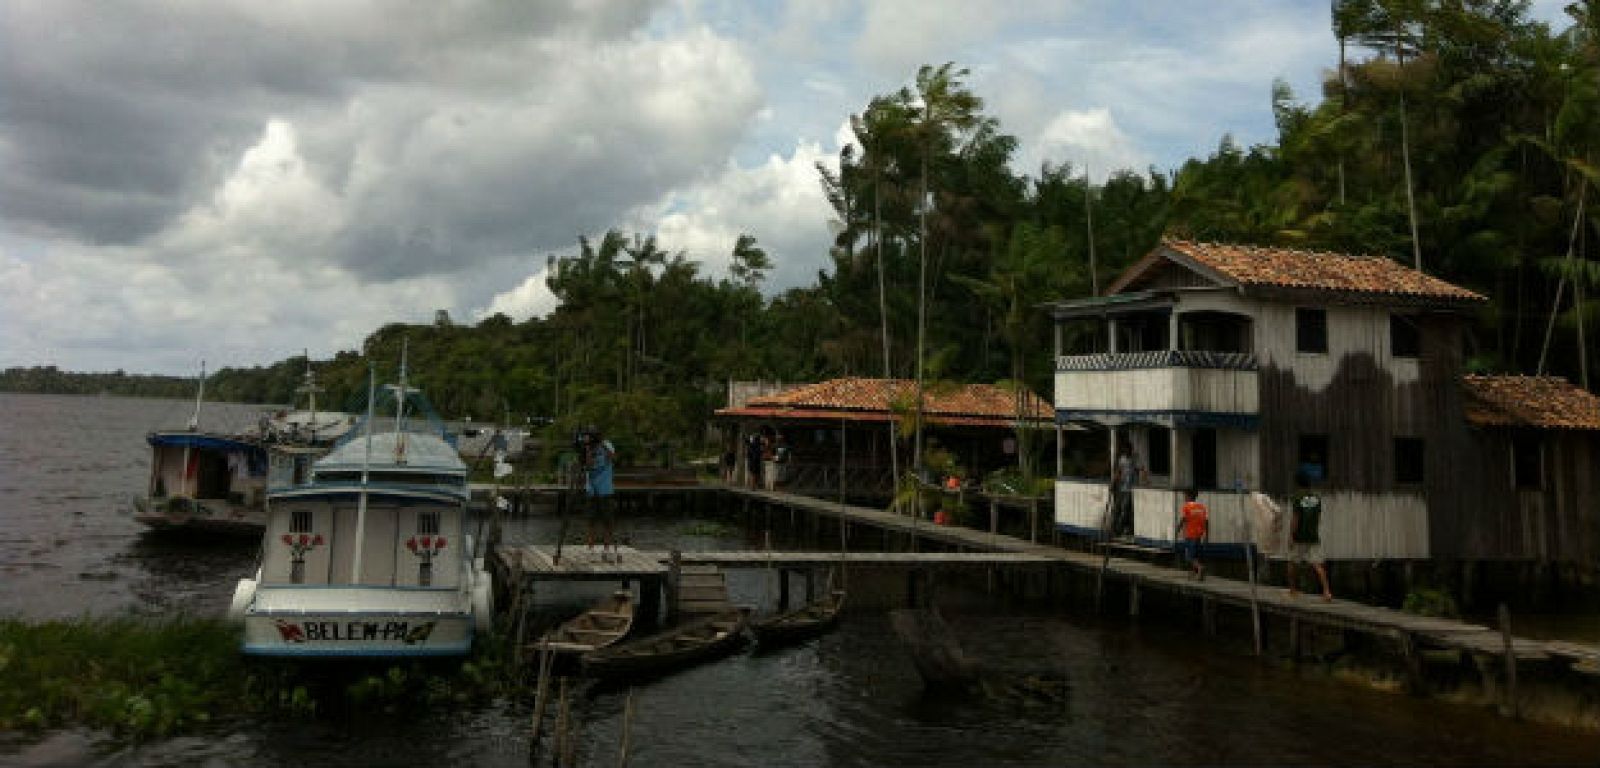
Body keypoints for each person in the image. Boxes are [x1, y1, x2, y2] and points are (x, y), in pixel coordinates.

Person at [1286, 471, 1332, 600]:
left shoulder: (1297, 497)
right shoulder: (1316, 498)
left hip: (1300, 536)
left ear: (1297, 483)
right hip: (1313, 535)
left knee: (1292, 563)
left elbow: (1296, 518)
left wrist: (1291, 535)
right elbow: (1317, 517)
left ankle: (1293, 591)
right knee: (1317, 564)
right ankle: (1327, 591)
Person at [583, 428, 618, 562]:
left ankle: (607, 549)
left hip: (606, 489)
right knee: (591, 520)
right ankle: (590, 548)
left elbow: (613, 458)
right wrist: (588, 450)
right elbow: (588, 465)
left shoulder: (607, 444)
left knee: (607, 520)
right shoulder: (587, 449)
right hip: (591, 489)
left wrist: (601, 445)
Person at [1109, 444, 1141, 538]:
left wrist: (1145, 482)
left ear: (1131, 450)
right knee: (1117, 508)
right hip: (1121, 488)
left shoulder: (1135, 459)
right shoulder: (1122, 459)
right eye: (1125, 450)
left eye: (1128, 450)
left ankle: (1119, 529)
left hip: (1130, 489)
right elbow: (1118, 472)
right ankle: (1115, 529)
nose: (1127, 452)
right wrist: (1113, 482)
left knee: (1125, 509)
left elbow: (1141, 470)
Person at [1176, 487, 1209, 580]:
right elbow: (1206, 522)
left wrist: (1177, 529)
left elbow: (1183, 519)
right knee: (1196, 555)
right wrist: (1206, 535)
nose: (1184, 497)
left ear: (1189, 496)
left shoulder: (1187, 507)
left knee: (1189, 556)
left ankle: (1200, 568)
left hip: (1190, 535)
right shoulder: (1201, 507)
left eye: (1185, 496)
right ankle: (1194, 574)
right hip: (1199, 535)